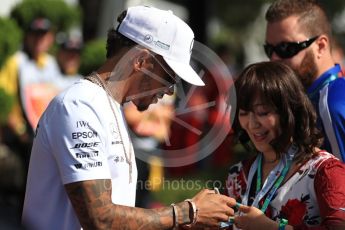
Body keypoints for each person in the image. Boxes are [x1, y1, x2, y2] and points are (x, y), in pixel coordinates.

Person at [22, 6, 238, 230]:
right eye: (169, 76)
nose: (171, 90)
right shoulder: (79, 106)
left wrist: (182, 222)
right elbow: (100, 219)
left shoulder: (108, 106)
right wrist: (187, 212)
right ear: (142, 62)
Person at [225, 61, 345, 229]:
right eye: (244, 113)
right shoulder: (237, 175)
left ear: (289, 111)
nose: (252, 124)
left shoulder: (325, 171)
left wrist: (272, 228)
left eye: (263, 113)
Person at [264, 0, 345, 162]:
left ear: (320, 46)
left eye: (286, 48)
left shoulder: (330, 104)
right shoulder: (314, 98)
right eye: (269, 50)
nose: (274, 58)